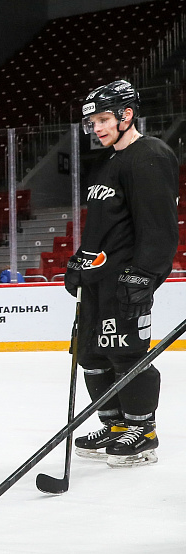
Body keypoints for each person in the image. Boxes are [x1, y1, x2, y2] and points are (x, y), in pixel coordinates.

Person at [67, 80, 178, 467]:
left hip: (126, 279)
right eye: (92, 122)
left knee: (126, 354)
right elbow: (101, 227)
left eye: (102, 119)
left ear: (126, 115)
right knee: (92, 355)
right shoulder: (109, 163)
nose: (96, 128)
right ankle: (114, 424)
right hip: (99, 280)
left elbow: (159, 227)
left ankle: (142, 431)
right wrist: (80, 262)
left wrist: (144, 275)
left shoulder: (150, 156)